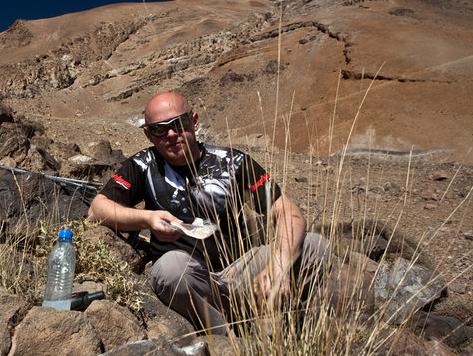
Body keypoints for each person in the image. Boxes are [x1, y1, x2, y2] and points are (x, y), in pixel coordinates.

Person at [88, 92, 331, 335]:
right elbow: (97, 208)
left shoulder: (232, 161)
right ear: (149, 134)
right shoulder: (142, 165)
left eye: (179, 124)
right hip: (190, 281)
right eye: (160, 130)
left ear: (194, 121)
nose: (172, 134)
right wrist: (147, 218)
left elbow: (288, 211)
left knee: (315, 246)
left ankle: (282, 323)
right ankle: (230, 340)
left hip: (240, 272)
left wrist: (278, 267)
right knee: (170, 269)